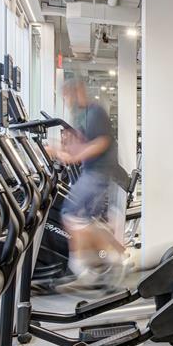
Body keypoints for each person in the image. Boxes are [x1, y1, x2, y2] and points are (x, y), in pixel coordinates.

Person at [45, 75, 127, 284]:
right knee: (84, 218)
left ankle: (87, 263)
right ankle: (109, 257)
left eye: (66, 96)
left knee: (71, 213)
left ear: (77, 91)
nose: (66, 101)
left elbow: (100, 142)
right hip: (92, 171)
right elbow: (80, 144)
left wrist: (73, 156)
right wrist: (57, 148)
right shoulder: (81, 114)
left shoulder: (95, 111)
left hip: (99, 171)